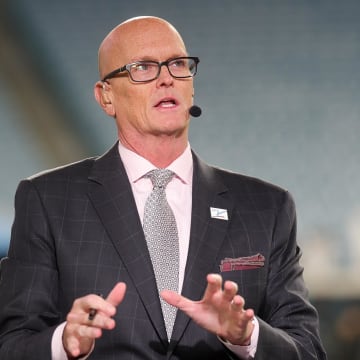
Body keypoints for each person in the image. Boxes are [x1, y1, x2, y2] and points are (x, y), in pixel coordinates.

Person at [0, 16, 326, 360]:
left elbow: (307, 350)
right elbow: (12, 345)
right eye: (143, 67)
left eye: (178, 65)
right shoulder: (49, 201)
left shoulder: (267, 207)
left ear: (192, 88)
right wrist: (64, 342)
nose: (167, 78)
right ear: (106, 96)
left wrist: (248, 335)